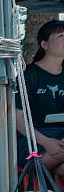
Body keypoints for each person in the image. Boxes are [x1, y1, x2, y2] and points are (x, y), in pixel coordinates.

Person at [16, 20, 64, 175]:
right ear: (44, 45)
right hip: (32, 141)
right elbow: (17, 118)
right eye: (61, 36)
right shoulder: (29, 75)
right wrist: (46, 142)